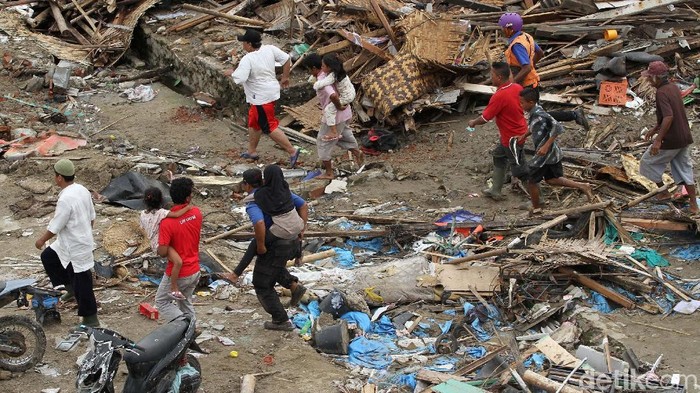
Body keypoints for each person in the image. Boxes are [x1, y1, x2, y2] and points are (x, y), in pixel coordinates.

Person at [229, 167, 308, 331]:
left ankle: (281, 320)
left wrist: (260, 245)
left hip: (277, 244)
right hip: (293, 242)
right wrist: (302, 230)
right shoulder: (281, 191)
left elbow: (258, 223)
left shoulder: (254, 201)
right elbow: (303, 205)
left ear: (247, 185)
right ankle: (294, 286)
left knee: (262, 282)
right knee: (272, 267)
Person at [35, 159, 99, 327]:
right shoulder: (82, 189)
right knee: (49, 257)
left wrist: (41, 239)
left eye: (55, 176)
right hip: (69, 242)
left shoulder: (66, 198)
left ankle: (91, 320)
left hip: (76, 246)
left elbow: (57, 224)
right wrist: (85, 232)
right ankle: (70, 289)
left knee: (83, 282)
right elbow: (92, 216)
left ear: (59, 178)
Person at [498, 12, 589, 130]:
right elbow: (539, 53)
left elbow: (526, 67)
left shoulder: (517, 45)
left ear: (510, 29)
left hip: (527, 84)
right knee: (537, 113)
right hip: (531, 81)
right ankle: (572, 116)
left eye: (503, 27)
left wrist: (512, 84)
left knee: (537, 114)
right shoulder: (526, 37)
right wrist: (532, 65)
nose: (501, 30)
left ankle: (573, 115)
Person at [230, 28, 301, 168]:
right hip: (270, 92)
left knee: (268, 126)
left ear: (249, 44)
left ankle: (292, 151)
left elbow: (240, 78)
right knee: (254, 122)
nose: (242, 45)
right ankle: (252, 151)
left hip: (260, 97)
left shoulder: (248, 59)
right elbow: (287, 59)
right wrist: (285, 77)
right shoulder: (269, 49)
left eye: (244, 42)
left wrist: (232, 73)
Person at [519, 88, 594, 213]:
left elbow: (558, 127)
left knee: (531, 181)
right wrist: (524, 135)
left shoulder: (540, 114)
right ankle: (583, 186)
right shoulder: (535, 112)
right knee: (552, 179)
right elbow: (535, 127)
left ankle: (537, 208)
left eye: (522, 103)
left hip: (544, 154)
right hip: (550, 153)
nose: (520, 105)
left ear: (531, 102)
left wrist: (546, 146)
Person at [639, 61, 698, 214]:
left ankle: (663, 192)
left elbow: (669, 116)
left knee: (646, 163)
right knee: (685, 169)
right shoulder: (673, 87)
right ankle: (693, 205)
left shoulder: (661, 92)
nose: (648, 80)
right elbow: (674, 113)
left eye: (650, 77)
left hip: (672, 139)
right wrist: (655, 128)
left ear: (656, 78)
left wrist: (658, 139)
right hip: (684, 136)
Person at [468, 62, 529, 201]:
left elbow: (485, 117)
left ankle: (538, 201)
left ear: (500, 77)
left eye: (492, 75)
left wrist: (473, 122)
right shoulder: (517, 87)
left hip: (512, 138)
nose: (491, 78)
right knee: (498, 155)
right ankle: (495, 190)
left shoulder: (500, 96)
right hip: (517, 132)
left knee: (521, 171)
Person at [302, 53, 364, 180]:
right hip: (345, 115)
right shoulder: (329, 74)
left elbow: (333, 95)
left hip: (335, 116)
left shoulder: (323, 81)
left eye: (309, 69)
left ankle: (329, 173)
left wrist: (338, 105)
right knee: (344, 136)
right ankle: (358, 153)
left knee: (323, 142)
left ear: (314, 68)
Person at [154, 177, 203, 323]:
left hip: (178, 274)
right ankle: (192, 329)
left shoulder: (167, 223)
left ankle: (185, 326)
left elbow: (162, 252)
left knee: (162, 301)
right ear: (188, 197)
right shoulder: (196, 213)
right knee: (185, 301)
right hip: (195, 270)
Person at [140, 187, 193, 300]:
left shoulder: (142, 214)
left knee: (176, 261)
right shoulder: (161, 213)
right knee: (178, 262)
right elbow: (177, 215)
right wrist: (188, 208)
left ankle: (174, 285)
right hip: (161, 245)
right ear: (161, 200)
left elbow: (142, 230)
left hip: (153, 244)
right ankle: (173, 288)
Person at [313, 54, 357, 142]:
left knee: (329, 110)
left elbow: (320, 84)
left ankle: (333, 132)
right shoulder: (340, 71)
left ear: (329, 68)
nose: (321, 68)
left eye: (323, 66)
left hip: (346, 96)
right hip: (351, 92)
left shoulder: (333, 76)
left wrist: (315, 84)